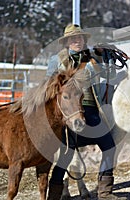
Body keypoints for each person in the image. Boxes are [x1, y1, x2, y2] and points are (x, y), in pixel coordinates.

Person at [46, 24, 122, 200]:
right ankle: (54, 196)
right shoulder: (56, 60)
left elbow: (108, 75)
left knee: (109, 147)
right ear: (66, 42)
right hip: (68, 113)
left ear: (84, 40)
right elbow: (49, 86)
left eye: (79, 38)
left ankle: (105, 193)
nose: (76, 41)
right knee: (66, 156)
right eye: (72, 39)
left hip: (91, 110)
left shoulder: (92, 58)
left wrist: (106, 56)